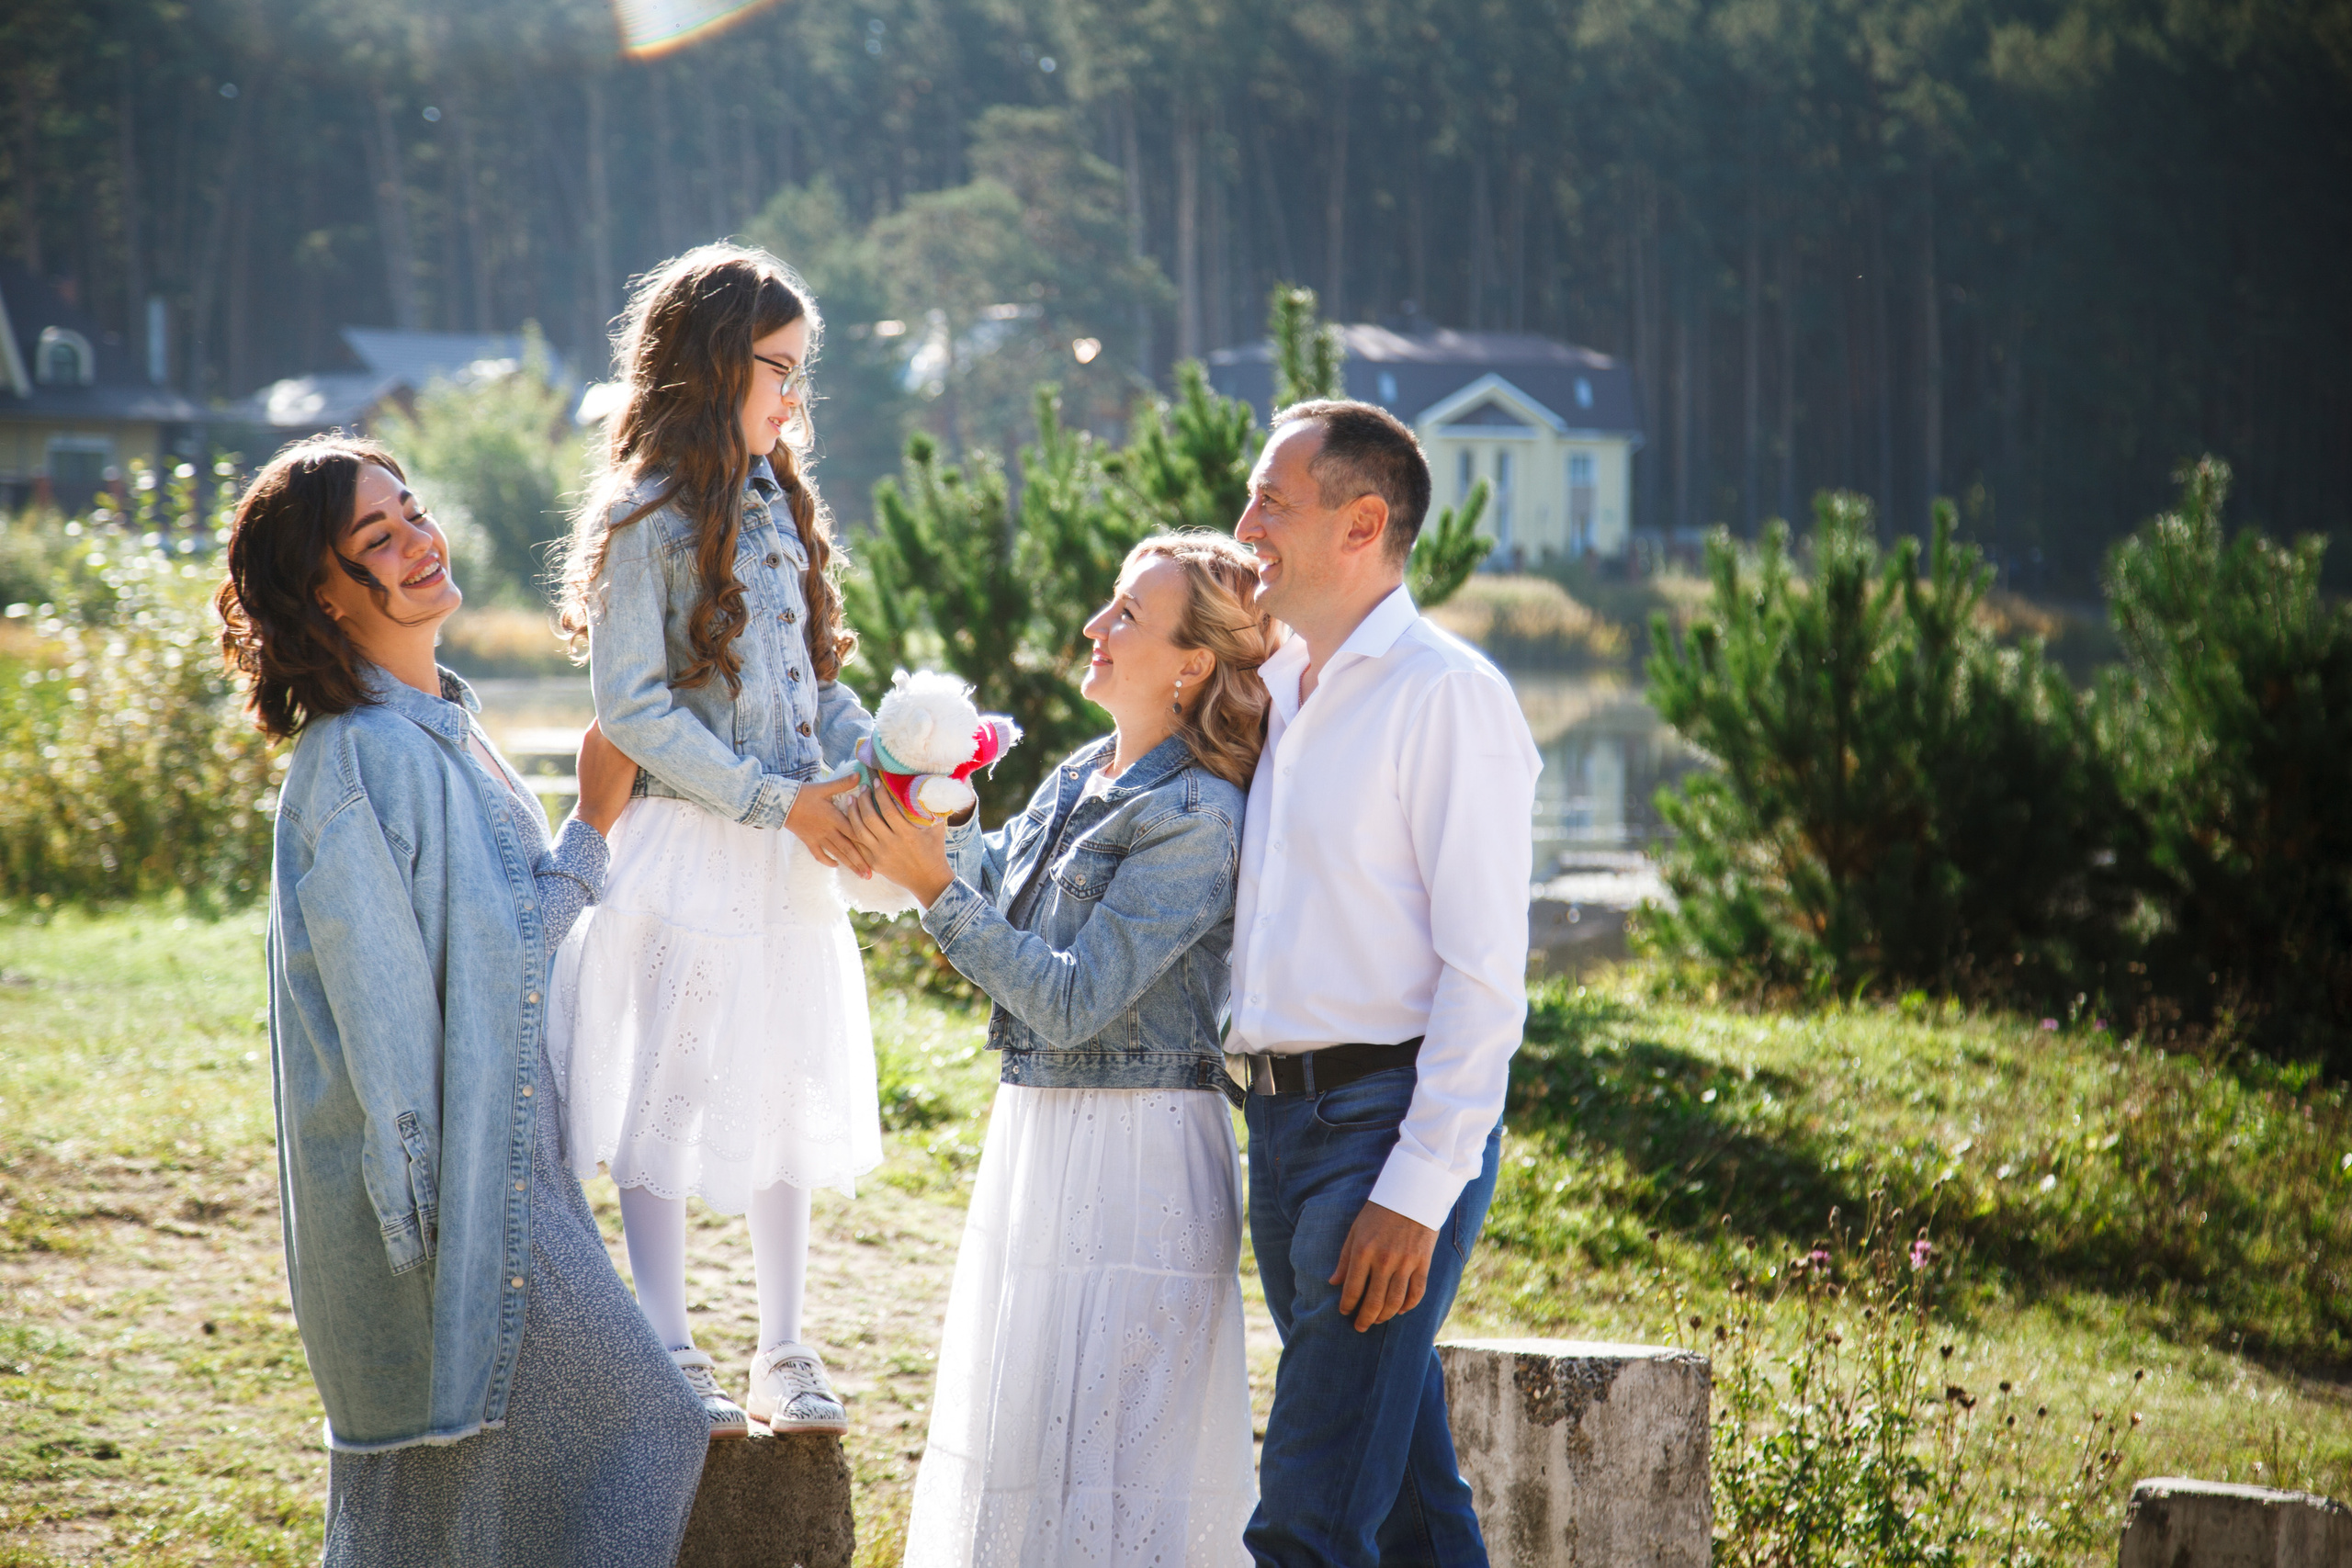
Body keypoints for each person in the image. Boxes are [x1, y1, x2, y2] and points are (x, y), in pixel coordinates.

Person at [218, 435, 709, 1566]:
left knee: (464, 1515)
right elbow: (457, 1002)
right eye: (373, 539)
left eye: (413, 512)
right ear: (326, 599)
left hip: (519, 1168)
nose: (416, 542)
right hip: (461, 1203)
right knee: (648, 1427)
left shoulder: (447, 732)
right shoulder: (356, 765)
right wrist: (589, 829)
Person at [849, 534, 1273, 1568]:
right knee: (1026, 1431)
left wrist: (934, 891)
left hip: (1138, 1159)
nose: (1094, 626)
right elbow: (996, 893)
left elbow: (1073, 999)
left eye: (1126, 613)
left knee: (1117, 1463)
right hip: (1038, 1132)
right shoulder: (1086, 771)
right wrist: (936, 795)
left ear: (1191, 665)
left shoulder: (1196, 816)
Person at [546, 242, 880, 1438]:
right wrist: (766, 796)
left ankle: (784, 1345)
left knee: (785, 1086)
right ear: (712, 363)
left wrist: (875, 757)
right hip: (692, 845)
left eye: (803, 373)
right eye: (779, 368)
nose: (795, 395)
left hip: (787, 851)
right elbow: (632, 706)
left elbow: (815, 673)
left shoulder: (779, 500)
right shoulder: (646, 516)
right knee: (673, 1082)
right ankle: (668, 1337)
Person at [1227, 401, 1541, 1567]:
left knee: (1306, 1518)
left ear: (1363, 523)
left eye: (1272, 502)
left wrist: (1416, 1190)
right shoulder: (1285, 688)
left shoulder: (1444, 696)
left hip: (1380, 1135)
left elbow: (1483, 977)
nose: (1243, 522)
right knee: (1407, 1502)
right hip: (1280, 1126)